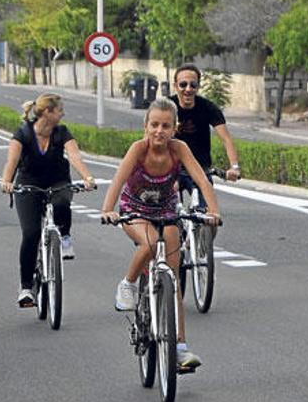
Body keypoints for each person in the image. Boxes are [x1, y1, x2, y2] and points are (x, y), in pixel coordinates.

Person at [101, 98, 221, 369]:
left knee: (174, 280)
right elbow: (118, 180)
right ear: (146, 126)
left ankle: (179, 347)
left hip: (167, 211)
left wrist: (213, 211)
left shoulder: (179, 150)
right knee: (151, 244)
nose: (159, 131)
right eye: (154, 125)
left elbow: (201, 180)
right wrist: (108, 210)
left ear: (174, 128)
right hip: (134, 210)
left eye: (166, 126)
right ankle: (128, 284)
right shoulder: (138, 149)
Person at [0, 93, 96, 307]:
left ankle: (65, 237)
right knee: (31, 233)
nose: (63, 113)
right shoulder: (23, 134)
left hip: (57, 181)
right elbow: (12, 160)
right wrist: (7, 181)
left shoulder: (62, 132)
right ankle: (26, 287)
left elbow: (75, 156)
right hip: (29, 184)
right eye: (59, 109)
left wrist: (87, 177)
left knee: (62, 201)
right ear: (47, 112)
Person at [169, 64, 241, 211]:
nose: (188, 89)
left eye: (193, 85)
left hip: (201, 169)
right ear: (175, 86)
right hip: (170, 168)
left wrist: (234, 167)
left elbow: (226, 139)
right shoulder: (166, 107)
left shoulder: (208, 108)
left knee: (209, 215)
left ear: (198, 87)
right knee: (166, 213)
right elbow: (151, 136)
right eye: (183, 84)